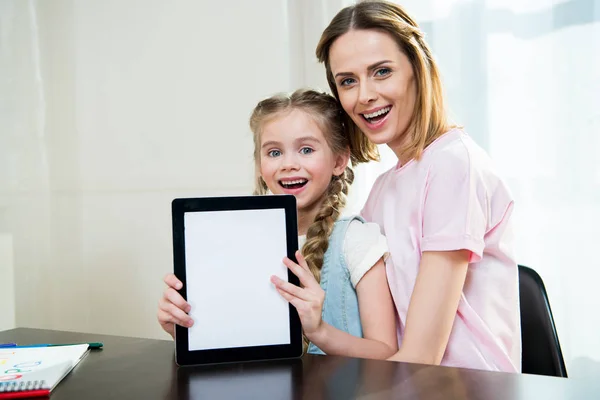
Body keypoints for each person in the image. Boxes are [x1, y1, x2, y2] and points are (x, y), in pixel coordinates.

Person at [315, 0, 521, 372]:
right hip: (411, 379)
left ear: (418, 68)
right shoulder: (381, 190)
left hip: (461, 386)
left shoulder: (453, 165)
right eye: (348, 81)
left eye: (381, 71)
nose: (364, 95)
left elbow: (423, 357)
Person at [158, 89, 398, 360]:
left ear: (339, 161)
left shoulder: (357, 241)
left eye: (306, 149)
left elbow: (385, 352)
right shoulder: (239, 244)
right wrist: (184, 328)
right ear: (260, 166)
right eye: (274, 152)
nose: (288, 164)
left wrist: (319, 331)